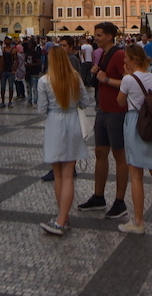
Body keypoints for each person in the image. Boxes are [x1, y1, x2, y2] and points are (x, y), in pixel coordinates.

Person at [116, 44, 152, 235]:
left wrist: (126, 77)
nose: (124, 61)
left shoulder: (128, 80)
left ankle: (138, 222)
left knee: (136, 175)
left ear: (133, 59)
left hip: (135, 123)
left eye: (126, 58)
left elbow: (120, 101)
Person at [77, 22, 129, 219]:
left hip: (117, 112)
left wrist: (105, 79)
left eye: (99, 35)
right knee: (100, 152)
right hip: (103, 111)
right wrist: (97, 75)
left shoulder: (118, 55)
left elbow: (128, 81)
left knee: (119, 156)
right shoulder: (105, 54)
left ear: (109, 36)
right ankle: (99, 197)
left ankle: (120, 201)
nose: (95, 38)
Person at [37, 47, 89, 235]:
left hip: (55, 125)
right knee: (68, 174)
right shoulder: (75, 77)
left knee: (58, 175)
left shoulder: (44, 81)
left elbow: (41, 109)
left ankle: (61, 219)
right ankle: (62, 217)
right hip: (73, 123)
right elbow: (85, 101)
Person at [23, 40, 43, 107]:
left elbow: (39, 62)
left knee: (35, 88)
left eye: (30, 44)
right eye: (28, 45)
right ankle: (29, 100)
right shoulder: (27, 53)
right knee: (28, 88)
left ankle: (35, 101)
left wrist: (32, 65)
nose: (29, 46)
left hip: (34, 72)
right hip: (28, 72)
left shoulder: (36, 53)